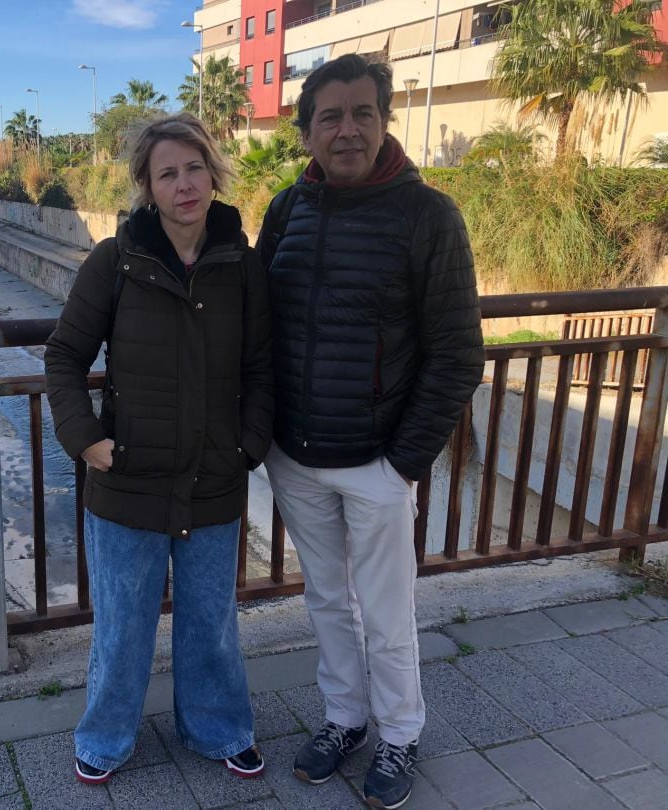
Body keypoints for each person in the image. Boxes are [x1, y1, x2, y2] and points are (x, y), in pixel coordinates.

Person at [257, 55, 484, 809]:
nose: (346, 129)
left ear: (383, 120)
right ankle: (344, 719)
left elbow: (457, 354)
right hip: (297, 454)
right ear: (307, 130)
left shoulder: (429, 216)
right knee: (325, 600)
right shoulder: (287, 209)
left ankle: (399, 732)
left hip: (378, 461)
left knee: (387, 612)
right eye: (330, 116)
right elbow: (259, 328)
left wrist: (405, 461)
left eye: (361, 113)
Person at [44, 112, 273, 786]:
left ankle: (219, 729)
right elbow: (64, 357)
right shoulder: (115, 262)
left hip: (214, 481)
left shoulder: (243, 265)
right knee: (123, 628)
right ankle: (106, 738)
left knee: (211, 623)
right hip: (128, 483)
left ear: (213, 173)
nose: (185, 184)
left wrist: (248, 446)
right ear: (148, 185)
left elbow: (263, 367)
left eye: (194, 167)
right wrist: (85, 440)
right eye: (168, 173)